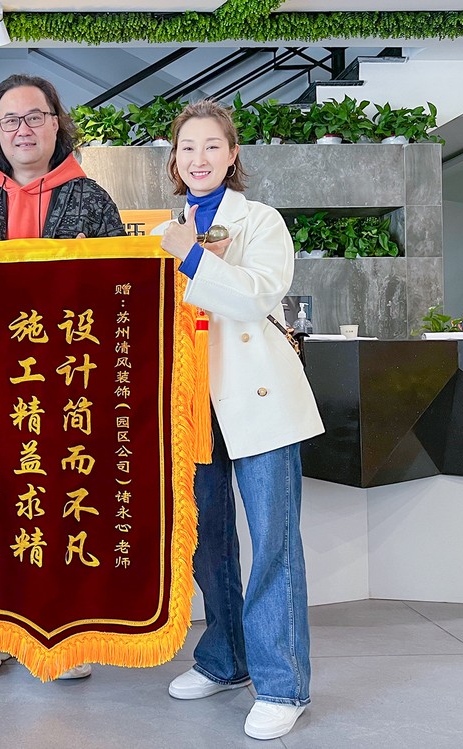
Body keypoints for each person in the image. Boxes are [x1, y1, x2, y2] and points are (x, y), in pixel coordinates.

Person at [0, 73, 126, 679]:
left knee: (67, 505)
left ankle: (65, 635)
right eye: (10, 120)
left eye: (34, 117)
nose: (22, 130)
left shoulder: (93, 201)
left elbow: (118, 295)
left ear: (56, 123)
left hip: (67, 386)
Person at [156, 101, 324, 741]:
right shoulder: (165, 230)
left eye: (211, 146)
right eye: (187, 147)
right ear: (175, 161)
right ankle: (225, 660)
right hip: (192, 405)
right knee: (209, 543)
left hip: (259, 403)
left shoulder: (262, 221)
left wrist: (194, 259)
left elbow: (258, 295)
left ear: (232, 156)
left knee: (274, 544)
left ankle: (283, 684)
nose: (198, 158)